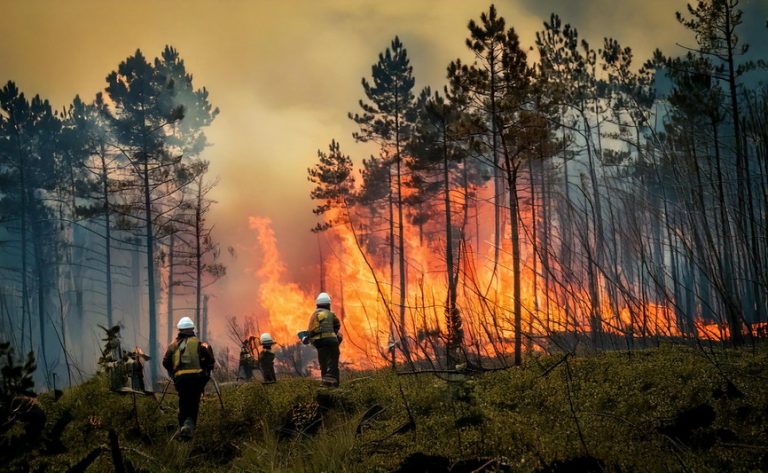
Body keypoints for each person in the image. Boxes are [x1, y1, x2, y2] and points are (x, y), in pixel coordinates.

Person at [162, 316, 215, 440]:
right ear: (192, 329)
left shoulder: (173, 346)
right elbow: (210, 362)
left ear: (179, 330)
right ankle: (189, 427)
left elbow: (165, 362)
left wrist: (174, 375)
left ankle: (184, 428)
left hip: (181, 380)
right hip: (197, 378)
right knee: (193, 402)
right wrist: (205, 377)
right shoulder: (201, 345)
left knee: (183, 401)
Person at [301, 292, 342, 387]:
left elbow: (311, 330)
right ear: (328, 304)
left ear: (317, 304)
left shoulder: (315, 315)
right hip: (332, 342)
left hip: (320, 343)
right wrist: (333, 334)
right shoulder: (331, 314)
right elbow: (337, 325)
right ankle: (335, 385)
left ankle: (325, 383)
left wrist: (306, 338)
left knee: (323, 362)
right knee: (333, 363)